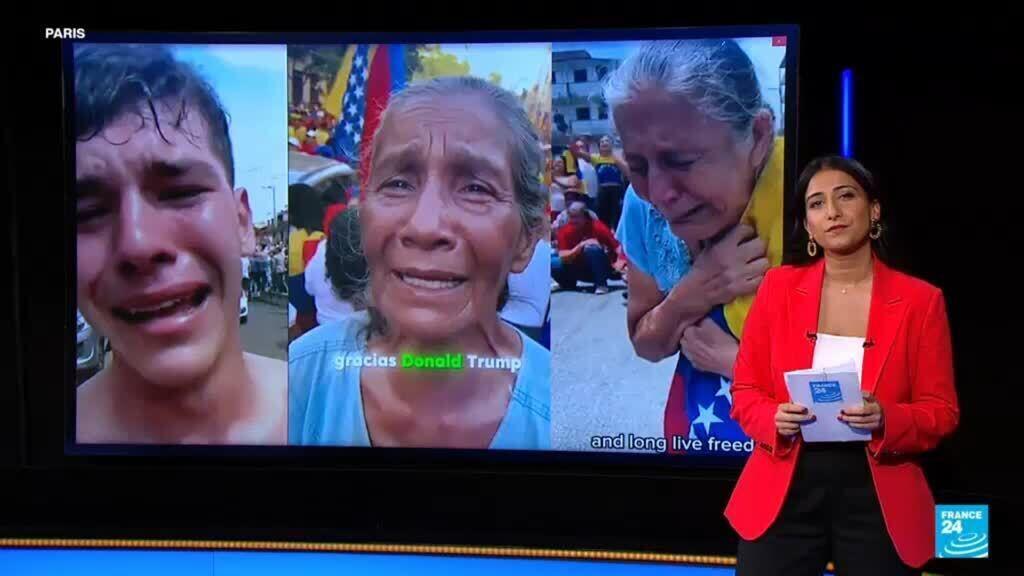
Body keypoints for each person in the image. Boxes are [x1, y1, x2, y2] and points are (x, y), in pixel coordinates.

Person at [289, 76, 551, 449]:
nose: (425, 227)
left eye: (476, 188)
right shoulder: (300, 377)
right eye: (397, 184)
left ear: (527, 238)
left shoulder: (554, 408)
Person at [727, 156, 959, 574]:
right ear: (809, 225)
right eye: (816, 204)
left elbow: (941, 412)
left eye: (845, 196)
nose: (831, 211)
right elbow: (745, 392)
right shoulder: (778, 289)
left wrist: (886, 417)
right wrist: (772, 417)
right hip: (786, 484)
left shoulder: (921, 302)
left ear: (873, 211)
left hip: (878, 490)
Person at [74, 45, 286, 445]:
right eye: (86, 213)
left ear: (243, 222)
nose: (138, 244)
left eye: (180, 193)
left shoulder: (323, 411)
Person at [607, 39, 782, 453]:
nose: (660, 193)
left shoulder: (809, 202)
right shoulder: (641, 205)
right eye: (638, 165)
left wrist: (737, 367)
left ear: (758, 137)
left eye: (681, 161)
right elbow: (646, 342)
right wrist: (697, 289)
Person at [305, 207, 360, 325]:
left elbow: (309, 287)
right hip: (362, 330)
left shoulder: (321, 248)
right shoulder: (374, 249)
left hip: (325, 325)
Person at [553, 201, 623, 295]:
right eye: (571, 217)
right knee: (552, 262)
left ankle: (601, 284)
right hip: (578, 267)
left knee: (592, 248)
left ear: (584, 216)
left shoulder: (598, 226)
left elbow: (618, 248)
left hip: (602, 268)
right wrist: (580, 246)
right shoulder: (564, 231)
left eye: (576, 217)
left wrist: (620, 263)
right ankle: (567, 284)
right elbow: (562, 256)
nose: (573, 220)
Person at [590, 135, 629, 231]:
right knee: (603, 216)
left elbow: (627, 172)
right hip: (603, 190)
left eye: (607, 141)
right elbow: (581, 155)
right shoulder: (596, 158)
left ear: (611, 145)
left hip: (616, 190)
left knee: (617, 216)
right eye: (602, 141)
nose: (604, 143)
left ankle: (618, 237)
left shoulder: (617, 158)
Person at [571, 137, 599, 212]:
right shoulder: (573, 162)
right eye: (577, 147)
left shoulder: (593, 159)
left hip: (594, 195)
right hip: (580, 196)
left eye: (581, 147)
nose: (579, 149)